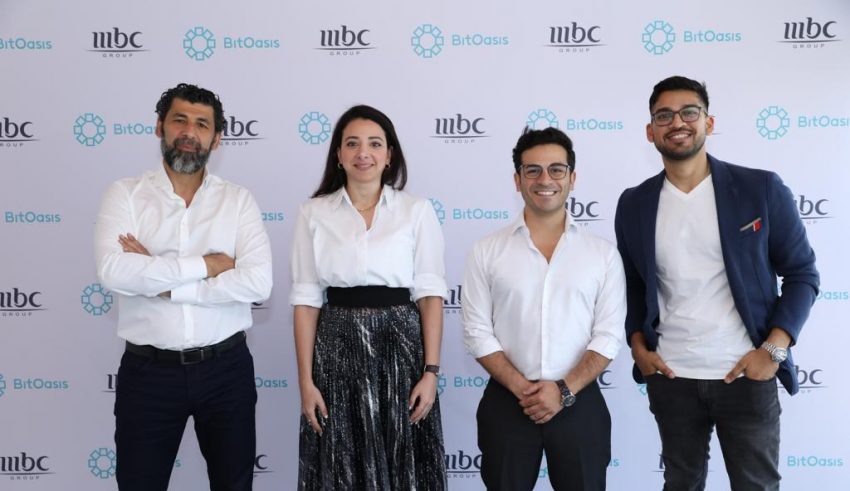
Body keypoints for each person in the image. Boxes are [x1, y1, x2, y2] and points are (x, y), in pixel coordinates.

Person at [614, 75, 819, 490]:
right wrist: (637, 345)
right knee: (681, 484)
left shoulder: (760, 189)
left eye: (689, 112)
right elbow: (633, 283)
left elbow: (802, 274)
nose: (677, 122)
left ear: (708, 123)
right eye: (664, 115)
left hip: (746, 373)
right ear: (650, 131)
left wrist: (773, 350)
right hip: (671, 376)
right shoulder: (633, 202)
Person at [94, 83, 273, 491]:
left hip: (226, 371)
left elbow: (258, 282)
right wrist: (208, 265)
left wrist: (161, 280)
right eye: (180, 120)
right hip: (148, 375)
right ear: (159, 126)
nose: (189, 132)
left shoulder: (238, 201)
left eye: (202, 124)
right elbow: (114, 271)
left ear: (217, 138)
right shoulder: (125, 195)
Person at [290, 104, 447, 490]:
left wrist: (430, 372)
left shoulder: (416, 211)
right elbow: (307, 301)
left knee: (403, 460)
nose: (364, 153)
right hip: (336, 349)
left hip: (401, 350)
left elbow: (430, 295)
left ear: (389, 155)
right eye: (353, 144)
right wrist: (306, 382)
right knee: (341, 460)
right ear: (338, 155)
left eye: (375, 144)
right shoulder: (313, 213)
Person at [462, 127, 626, 490]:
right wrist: (524, 389)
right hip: (507, 403)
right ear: (517, 180)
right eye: (532, 170)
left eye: (556, 169)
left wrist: (563, 391)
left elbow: (608, 336)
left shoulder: (602, 255)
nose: (545, 179)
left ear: (572, 178)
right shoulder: (486, 251)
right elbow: (476, 332)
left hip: (580, 402)